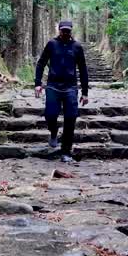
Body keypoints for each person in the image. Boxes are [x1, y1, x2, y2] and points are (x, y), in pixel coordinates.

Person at [33, 20, 89, 162]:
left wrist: (85, 92)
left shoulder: (77, 47)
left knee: (71, 118)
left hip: (70, 87)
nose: (65, 33)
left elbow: (83, 69)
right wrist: (38, 83)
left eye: (68, 31)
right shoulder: (52, 44)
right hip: (53, 85)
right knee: (50, 114)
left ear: (71, 31)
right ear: (59, 30)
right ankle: (53, 131)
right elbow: (41, 63)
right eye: (63, 30)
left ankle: (66, 152)